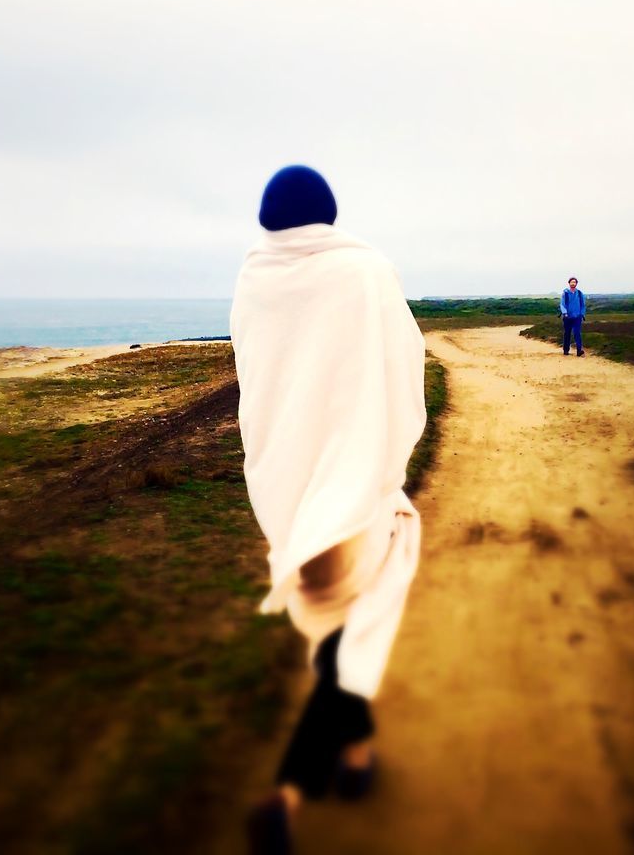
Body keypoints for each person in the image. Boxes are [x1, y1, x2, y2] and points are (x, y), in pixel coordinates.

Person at [230, 165, 427, 854]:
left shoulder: (252, 278)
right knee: (355, 628)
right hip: (355, 474)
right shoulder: (365, 272)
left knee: (339, 628)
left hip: (285, 481)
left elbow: (257, 375)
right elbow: (404, 356)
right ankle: (286, 794)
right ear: (329, 215)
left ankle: (357, 756)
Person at [560, 276, 586, 356]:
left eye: (574, 282)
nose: (573, 283)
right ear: (569, 283)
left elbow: (583, 305)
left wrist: (582, 314)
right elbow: (562, 304)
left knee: (577, 333)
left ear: (576, 283)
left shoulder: (579, 293)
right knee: (567, 333)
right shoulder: (565, 293)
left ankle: (579, 350)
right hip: (567, 317)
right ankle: (566, 350)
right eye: (572, 282)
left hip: (577, 317)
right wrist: (565, 313)